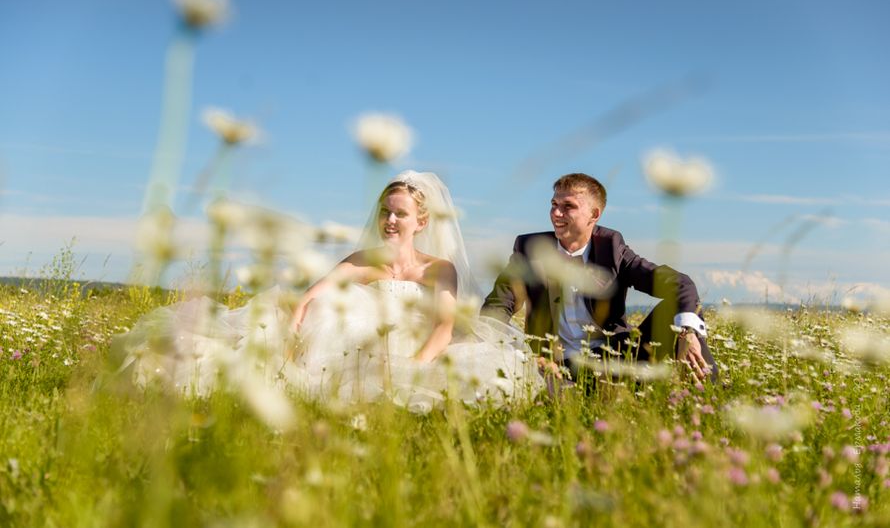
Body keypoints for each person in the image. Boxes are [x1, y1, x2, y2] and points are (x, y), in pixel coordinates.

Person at [115, 171, 542, 411]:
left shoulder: (438, 270)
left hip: (408, 349)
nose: (390, 221)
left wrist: (413, 367)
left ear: (422, 222)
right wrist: (296, 327)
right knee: (324, 315)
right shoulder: (364, 258)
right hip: (352, 345)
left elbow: (445, 326)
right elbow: (311, 296)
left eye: (401, 214)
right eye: (385, 213)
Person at [482, 173, 718, 384]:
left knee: (682, 315)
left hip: (614, 359)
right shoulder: (530, 248)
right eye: (554, 204)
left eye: (568, 206)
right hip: (552, 365)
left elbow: (681, 284)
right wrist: (499, 349)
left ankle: (710, 392)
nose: (556, 213)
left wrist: (688, 334)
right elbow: (499, 303)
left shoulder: (612, 248)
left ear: (594, 214)